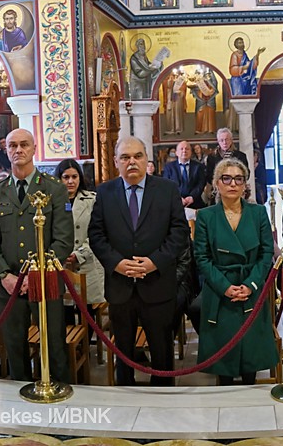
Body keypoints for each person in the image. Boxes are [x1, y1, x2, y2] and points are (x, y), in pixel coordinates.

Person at [89, 136, 190, 386]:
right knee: (123, 351)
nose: (131, 162)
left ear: (147, 160)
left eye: (137, 156)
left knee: (161, 350)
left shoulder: (167, 190)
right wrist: (117, 264)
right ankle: (126, 395)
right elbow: (96, 235)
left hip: (157, 284)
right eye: (125, 157)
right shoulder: (104, 192)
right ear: (116, 162)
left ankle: (162, 394)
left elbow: (179, 233)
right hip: (120, 287)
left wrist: (154, 262)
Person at [0, 129, 72, 382]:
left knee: (54, 344)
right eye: (13, 145)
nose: (18, 150)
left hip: (45, 280)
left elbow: (64, 240)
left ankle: (59, 391)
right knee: (14, 347)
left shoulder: (54, 189)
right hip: (9, 284)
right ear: (6, 151)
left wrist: (36, 273)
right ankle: (19, 396)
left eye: (24, 144)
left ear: (34, 149)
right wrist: (4, 275)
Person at [194, 158, 277, 384]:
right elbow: (202, 257)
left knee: (250, 355)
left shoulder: (258, 213)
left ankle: (249, 391)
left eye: (238, 179)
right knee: (224, 359)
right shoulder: (206, 216)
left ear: (245, 185)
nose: (233, 184)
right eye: (227, 178)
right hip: (220, 291)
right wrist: (225, 287)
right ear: (216, 184)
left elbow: (266, 254)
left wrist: (250, 285)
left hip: (251, 287)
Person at [56, 159, 105, 306]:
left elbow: (99, 233)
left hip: (88, 263)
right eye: (66, 177)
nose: (70, 181)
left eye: (74, 177)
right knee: (65, 311)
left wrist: (79, 254)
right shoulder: (51, 202)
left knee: (87, 311)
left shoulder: (92, 200)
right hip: (61, 265)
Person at [163, 140, 207, 212]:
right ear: (176, 152)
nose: (184, 151)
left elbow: (201, 183)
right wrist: (178, 198)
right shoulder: (169, 167)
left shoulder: (198, 166)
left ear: (191, 152)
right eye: (181, 149)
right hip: (175, 203)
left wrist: (192, 197)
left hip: (195, 203)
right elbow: (166, 185)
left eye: (187, 149)